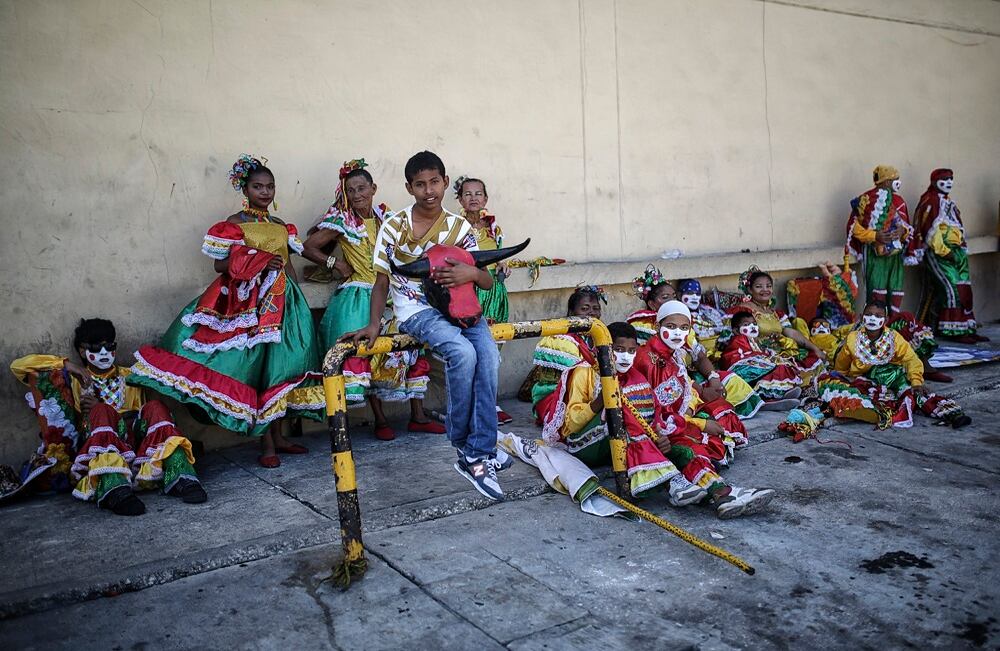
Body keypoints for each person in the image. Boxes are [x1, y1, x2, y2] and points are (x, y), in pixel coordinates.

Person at [129, 155, 323, 468]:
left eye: (270, 186)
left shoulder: (279, 226)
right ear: (244, 189)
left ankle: (280, 436)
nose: (265, 191)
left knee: (281, 369)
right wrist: (259, 261)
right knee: (255, 370)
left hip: (284, 303)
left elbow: (287, 263)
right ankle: (266, 445)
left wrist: (294, 293)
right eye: (258, 186)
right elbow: (221, 265)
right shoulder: (233, 224)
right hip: (249, 305)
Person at [344, 151, 505, 501]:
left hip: (461, 307)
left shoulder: (461, 228)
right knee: (462, 353)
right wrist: (374, 324)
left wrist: (471, 272)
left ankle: (480, 447)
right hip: (416, 310)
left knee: (489, 357)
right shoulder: (394, 226)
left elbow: (486, 282)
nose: (428, 190)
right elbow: (382, 280)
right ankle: (467, 447)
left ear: (446, 183)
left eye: (434, 182)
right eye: (420, 184)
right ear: (409, 187)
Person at [301, 159, 441, 441]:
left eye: (362, 188)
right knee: (370, 353)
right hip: (359, 295)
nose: (357, 195)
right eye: (350, 190)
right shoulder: (342, 221)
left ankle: (418, 415)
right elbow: (307, 247)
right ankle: (380, 419)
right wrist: (335, 264)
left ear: (373, 188)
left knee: (410, 348)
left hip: (392, 290)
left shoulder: (386, 217)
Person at [10, 318, 206, 515]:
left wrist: (118, 414)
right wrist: (70, 366)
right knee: (101, 412)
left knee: (155, 407)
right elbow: (20, 366)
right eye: (96, 347)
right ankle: (115, 490)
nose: (103, 353)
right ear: (81, 351)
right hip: (97, 444)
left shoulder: (130, 375)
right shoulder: (76, 380)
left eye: (109, 346)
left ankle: (181, 477)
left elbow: (140, 414)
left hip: (133, 442)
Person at [534, 320, 706, 503]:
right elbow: (571, 424)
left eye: (631, 351)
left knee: (677, 447)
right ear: (604, 348)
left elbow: (651, 413)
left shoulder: (635, 375)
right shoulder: (584, 372)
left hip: (618, 443)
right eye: (619, 350)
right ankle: (672, 482)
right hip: (585, 445)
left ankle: (695, 483)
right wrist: (601, 401)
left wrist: (658, 435)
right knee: (616, 413)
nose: (626, 357)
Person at [635, 301, 775, 519]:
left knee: (716, 418)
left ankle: (722, 494)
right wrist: (698, 423)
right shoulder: (649, 360)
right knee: (690, 447)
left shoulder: (673, 354)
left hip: (674, 421)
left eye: (684, 328)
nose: (677, 333)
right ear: (656, 326)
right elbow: (656, 414)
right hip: (654, 430)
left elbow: (679, 396)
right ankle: (723, 494)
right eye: (671, 326)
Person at [630, 268, 766, 418]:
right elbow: (664, 369)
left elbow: (699, 356)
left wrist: (713, 378)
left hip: (690, 375)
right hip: (666, 382)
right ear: (652, 304)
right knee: (706, 410)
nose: (672, 301)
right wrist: (699, 391)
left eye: (674, 297)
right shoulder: (643, 326)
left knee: (731, 380)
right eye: (665, 297)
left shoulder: (681, 320)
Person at [818, 302, 971, 429]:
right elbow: (842, 364)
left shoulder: (894, 337)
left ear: (885, 319)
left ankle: (953, 415)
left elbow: (911, 359)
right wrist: (841, 377)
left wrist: (916, 381)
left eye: (878, 316)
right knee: (867, 397)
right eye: (869, 315)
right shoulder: (853, 338)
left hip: (893, 376)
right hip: (866, 379)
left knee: (915, 394)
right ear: (861, 317)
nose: (872, 319)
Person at [455, 174, 514, 425]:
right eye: (467, 194)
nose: (473, 198)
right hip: (471, 292)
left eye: (478, 194)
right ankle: (474, 406)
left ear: (486, 198)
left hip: (494, 293)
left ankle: (491, 403)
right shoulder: (455, 227)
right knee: (474, 351)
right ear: (459, 199)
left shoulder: (492, 227)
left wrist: (503, 265)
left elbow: (498, 255)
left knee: (493, 349)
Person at [909, 169, 986, 343]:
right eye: (945, 179)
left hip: (956, 252)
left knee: (964, 287)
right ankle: (953, 332)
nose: (949, 182)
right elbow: (929, 231)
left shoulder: (948, 202)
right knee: (952, 289)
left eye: (951, 179)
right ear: (935, 181)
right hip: (939, 254)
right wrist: (945, 251)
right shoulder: (930, 201)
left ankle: (967, 328)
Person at [733, 267, 826, 379]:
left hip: (780, 351)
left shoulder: (776, 313)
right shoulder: (744, 310)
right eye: (759, 287)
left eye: (768, 286)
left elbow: (791, 332)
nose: (765, 290)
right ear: (749, 289)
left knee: (812, 361)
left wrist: (815, 349)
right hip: (757, 355)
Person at [845, 165, 913, 312]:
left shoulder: (899, 201)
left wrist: (902, 231)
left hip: (895, 255)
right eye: (895, 179)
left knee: (895, 288)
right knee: (876, 289)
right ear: (887, 181)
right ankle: (875, 324)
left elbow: (907, 226)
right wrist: (875, 235)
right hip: (873, 254)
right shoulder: (866, 199)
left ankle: (893, 324)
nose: (898, 182)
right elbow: (854, 228)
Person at [722, 311, 803, 402]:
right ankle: (765, 397)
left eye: (754, 324)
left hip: (758, 365)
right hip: (743, 369)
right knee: (775, 368)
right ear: (736, 331)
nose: (752, 327)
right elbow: (739, 356)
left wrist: (771, 358)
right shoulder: (739, 339)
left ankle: (780, 393)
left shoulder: (756, 341)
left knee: (782, 367)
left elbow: (763, 354)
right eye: (746, 324)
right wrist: (766, 359)